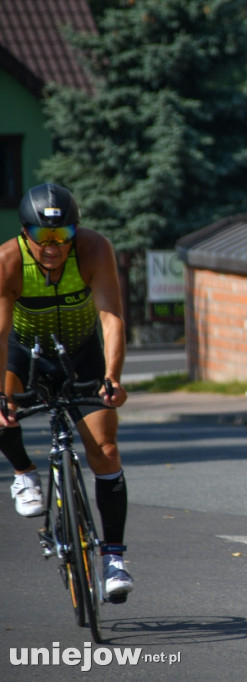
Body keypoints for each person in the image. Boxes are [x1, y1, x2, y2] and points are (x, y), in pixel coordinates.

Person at [1, 183, 133, 602]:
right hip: (22, 353)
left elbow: (111, 318)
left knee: (106, 450)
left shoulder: (94, 250)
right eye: (43, 236)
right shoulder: (7, 261)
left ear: (75, 232)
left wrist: (112, 377)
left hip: (80, 353)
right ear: (26, 233)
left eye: (63, 235)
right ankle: (23, 471)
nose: (53, 246)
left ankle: (114, 558)